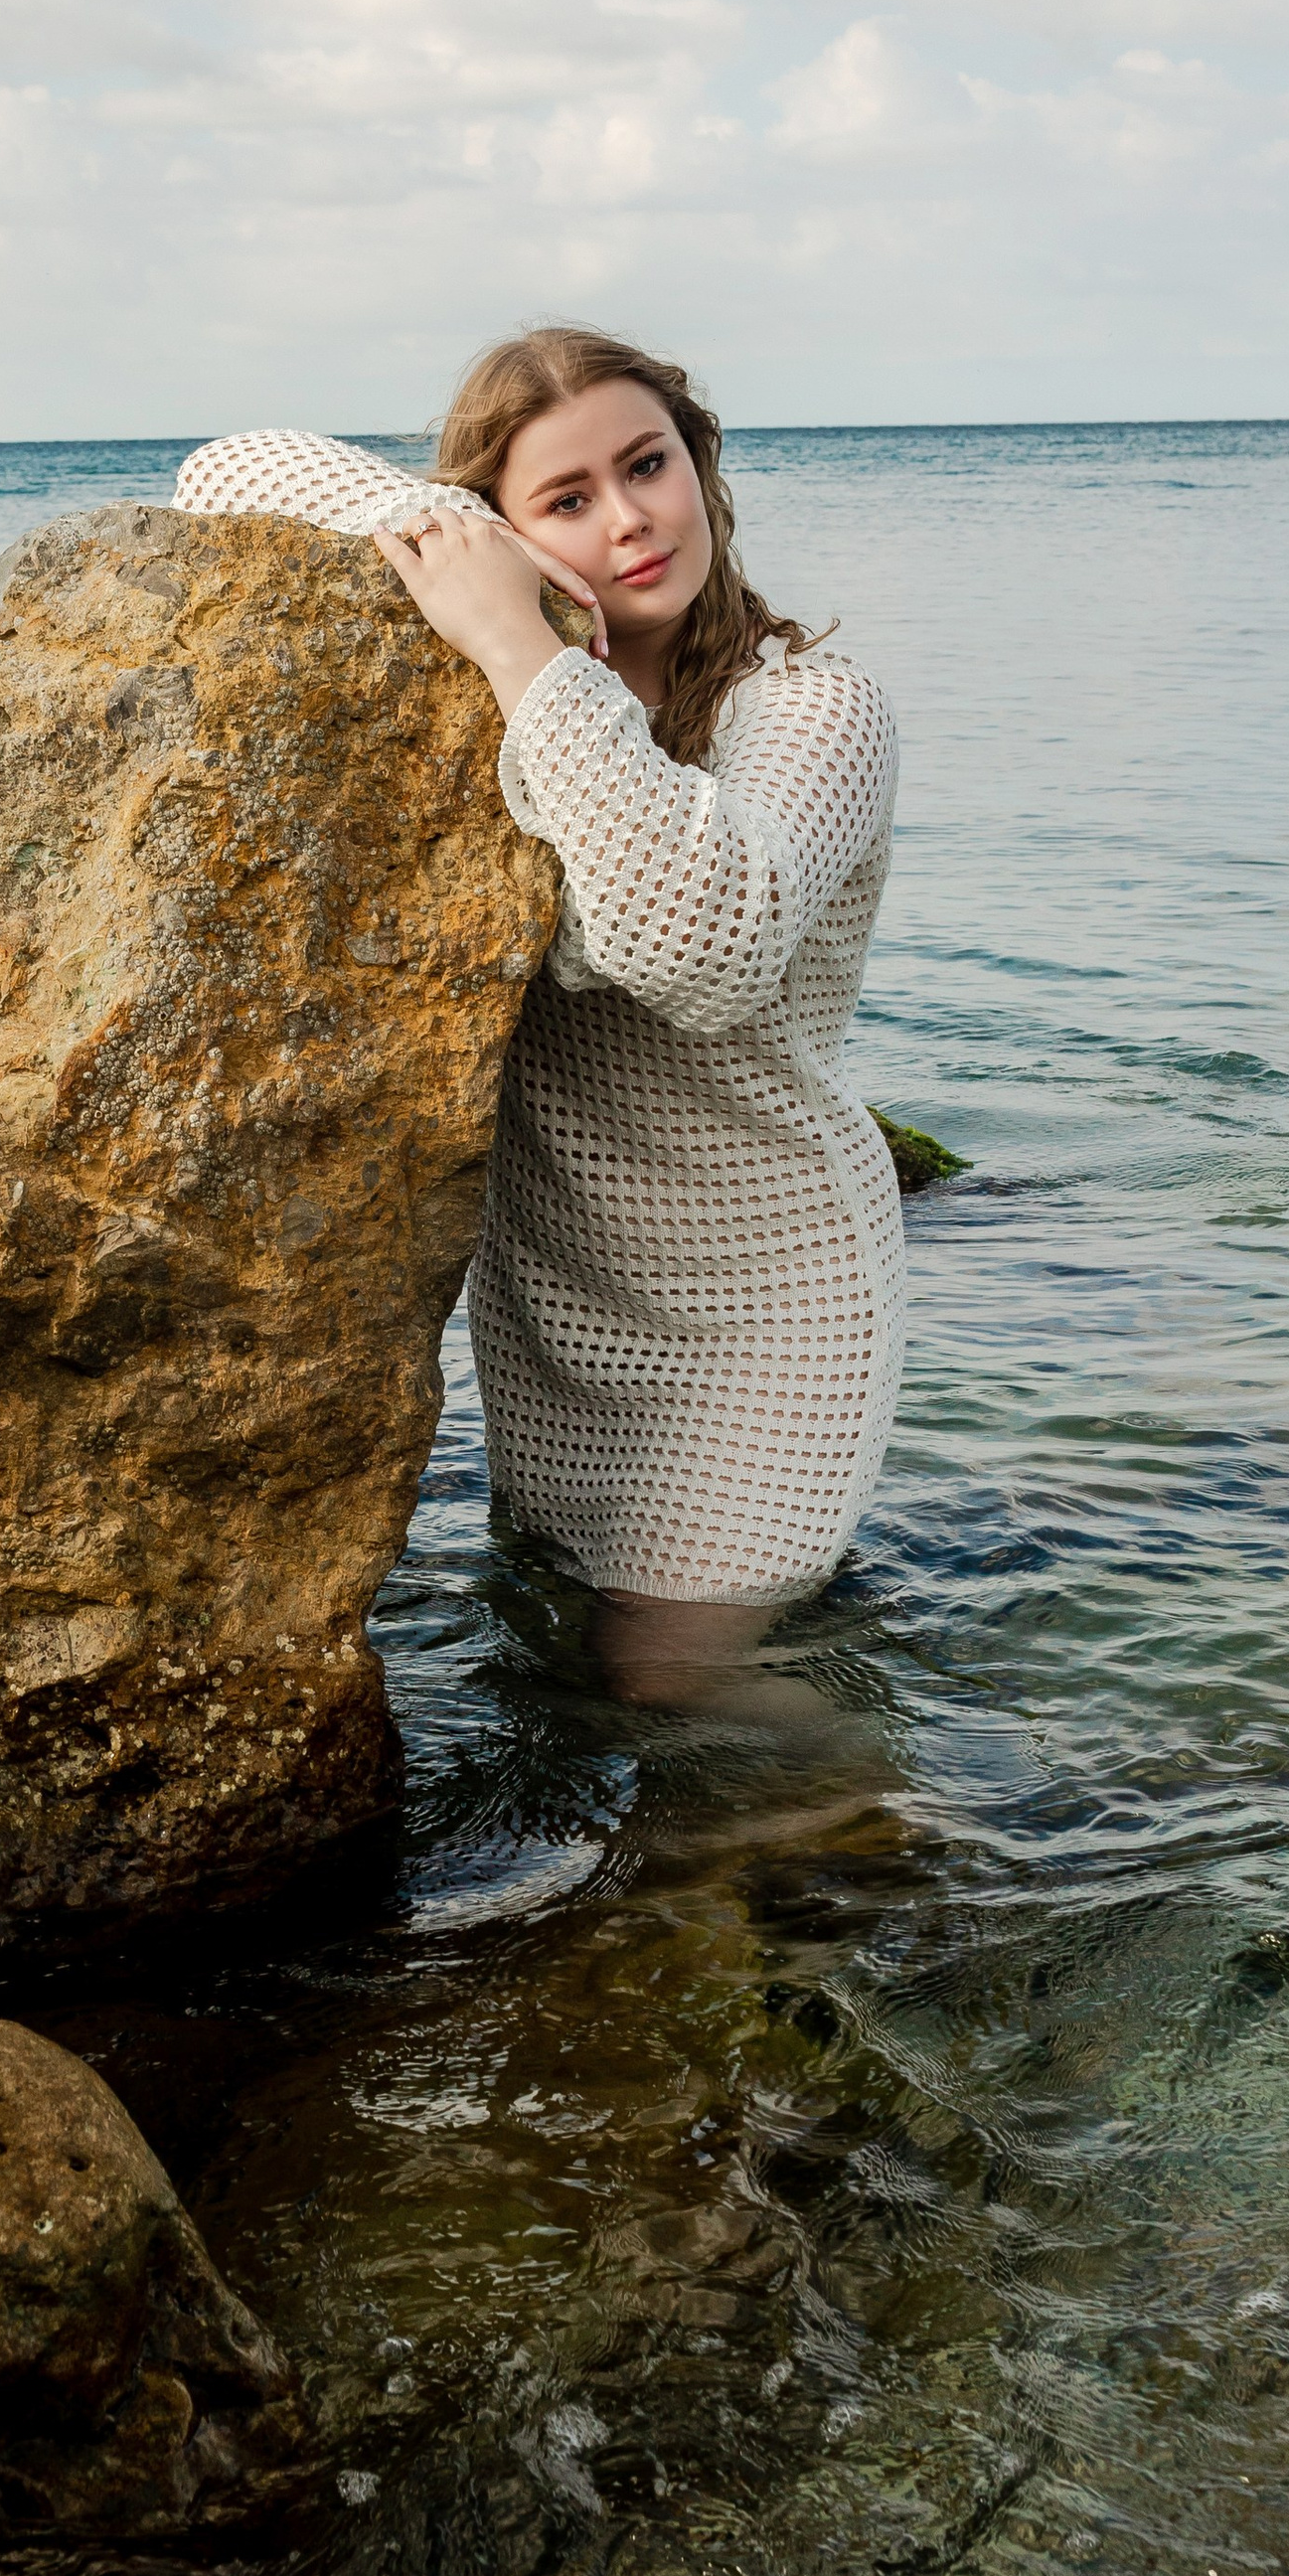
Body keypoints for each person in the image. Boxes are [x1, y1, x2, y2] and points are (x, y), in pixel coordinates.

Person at [175, 325, 904, 1715]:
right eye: (567, 499)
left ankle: (874, 1859)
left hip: (768, 1303)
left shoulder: (808, 708)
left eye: (650, 465)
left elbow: (696, 945)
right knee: (568, 1660)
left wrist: (521, 641)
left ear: (701, 469)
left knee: (667, 1678)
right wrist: (455, 542)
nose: (630, 519)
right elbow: (222, 470)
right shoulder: (495, 691)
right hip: (555, 1307)